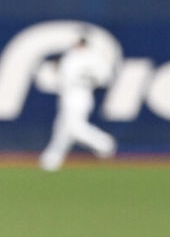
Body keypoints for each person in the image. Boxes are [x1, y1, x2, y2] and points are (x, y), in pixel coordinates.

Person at [39, 32, 117, 172]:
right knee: (62, 128)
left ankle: (105, 144)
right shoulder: (96, 57)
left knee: (74, 127)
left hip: (76, 94)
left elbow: (62, 79)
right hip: (83, 94)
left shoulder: (72, 57)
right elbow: (106, 78)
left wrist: (56, 69)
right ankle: (51, 160)